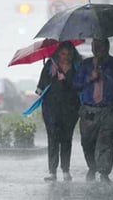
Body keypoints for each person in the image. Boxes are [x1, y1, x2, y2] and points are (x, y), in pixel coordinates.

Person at [73, 38, 113, 183]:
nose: (98, 50)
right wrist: (90, 78)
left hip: (108, 109)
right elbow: (76, 84)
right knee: (87, 142)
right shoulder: (85, 65)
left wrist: (101, 70)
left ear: (107, 47)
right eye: (95, 47)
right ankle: (92, 167)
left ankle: (104, 172)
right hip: (89, 110)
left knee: (106, 141)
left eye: (101, 46)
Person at [36, 41, 82, 182]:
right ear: (58, 53)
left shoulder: (77, 67)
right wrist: (51, 76)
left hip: (70, 108)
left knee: (66, 138)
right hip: (51, 108)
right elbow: (40, 88)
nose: (65, 57)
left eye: (69, 54)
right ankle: (52, 171)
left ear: (73, 54)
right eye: (62, 53)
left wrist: (66, 79)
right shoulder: (50, 66)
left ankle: (66, 170)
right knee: (53, 138)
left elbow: (80, 85)